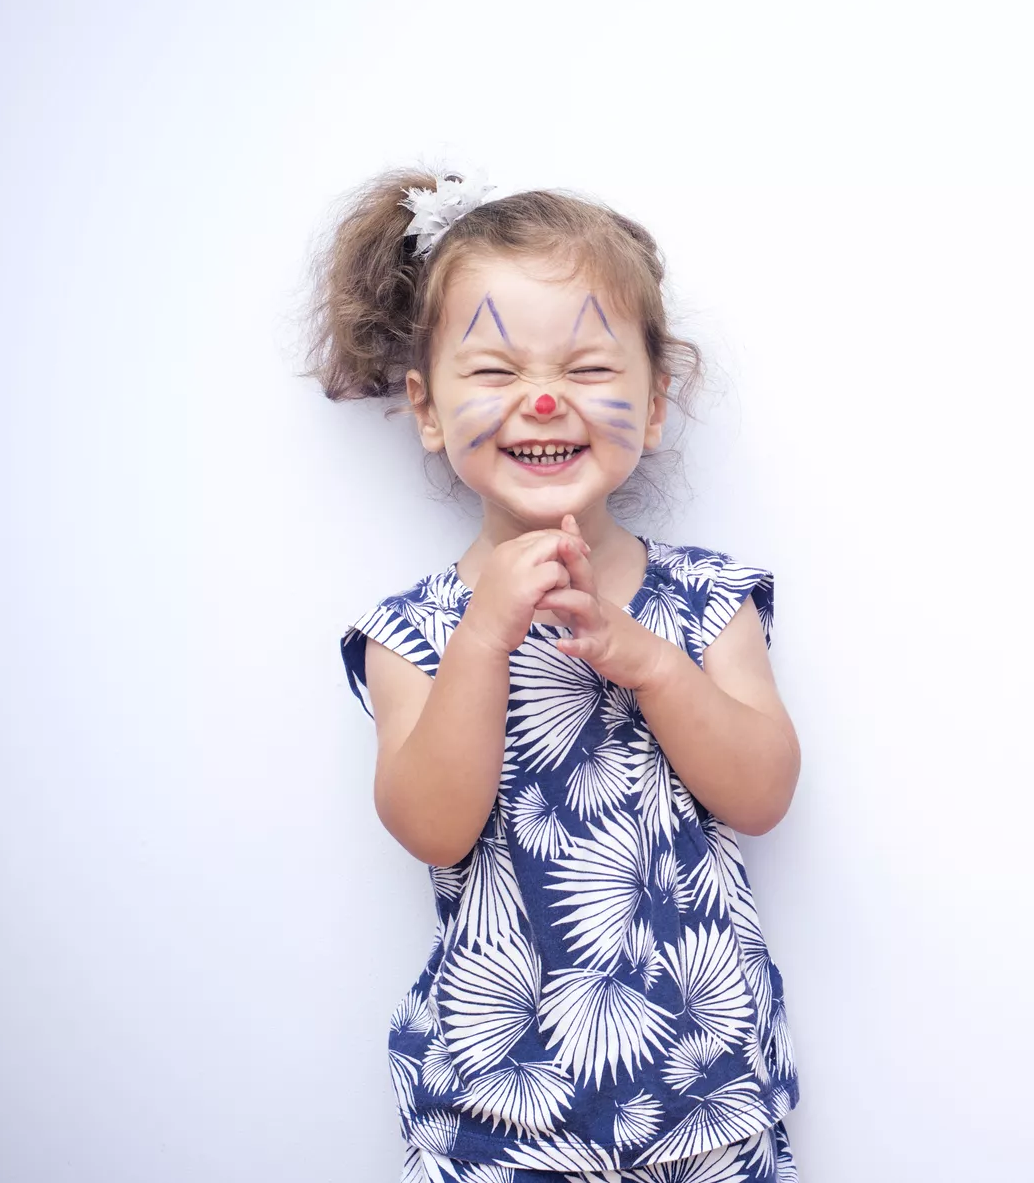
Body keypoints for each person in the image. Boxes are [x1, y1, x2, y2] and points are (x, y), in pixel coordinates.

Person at [303, 170, 802, 1183]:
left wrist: (648, 663)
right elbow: (430, 825)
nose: (543, 398)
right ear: (428, 409)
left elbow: (764, 794)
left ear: (655, 403)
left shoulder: (709, 604)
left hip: (709, 1100)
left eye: (586, 366)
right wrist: (484, 639)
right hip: (499, 1116)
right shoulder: (416, 634)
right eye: (494, 370)